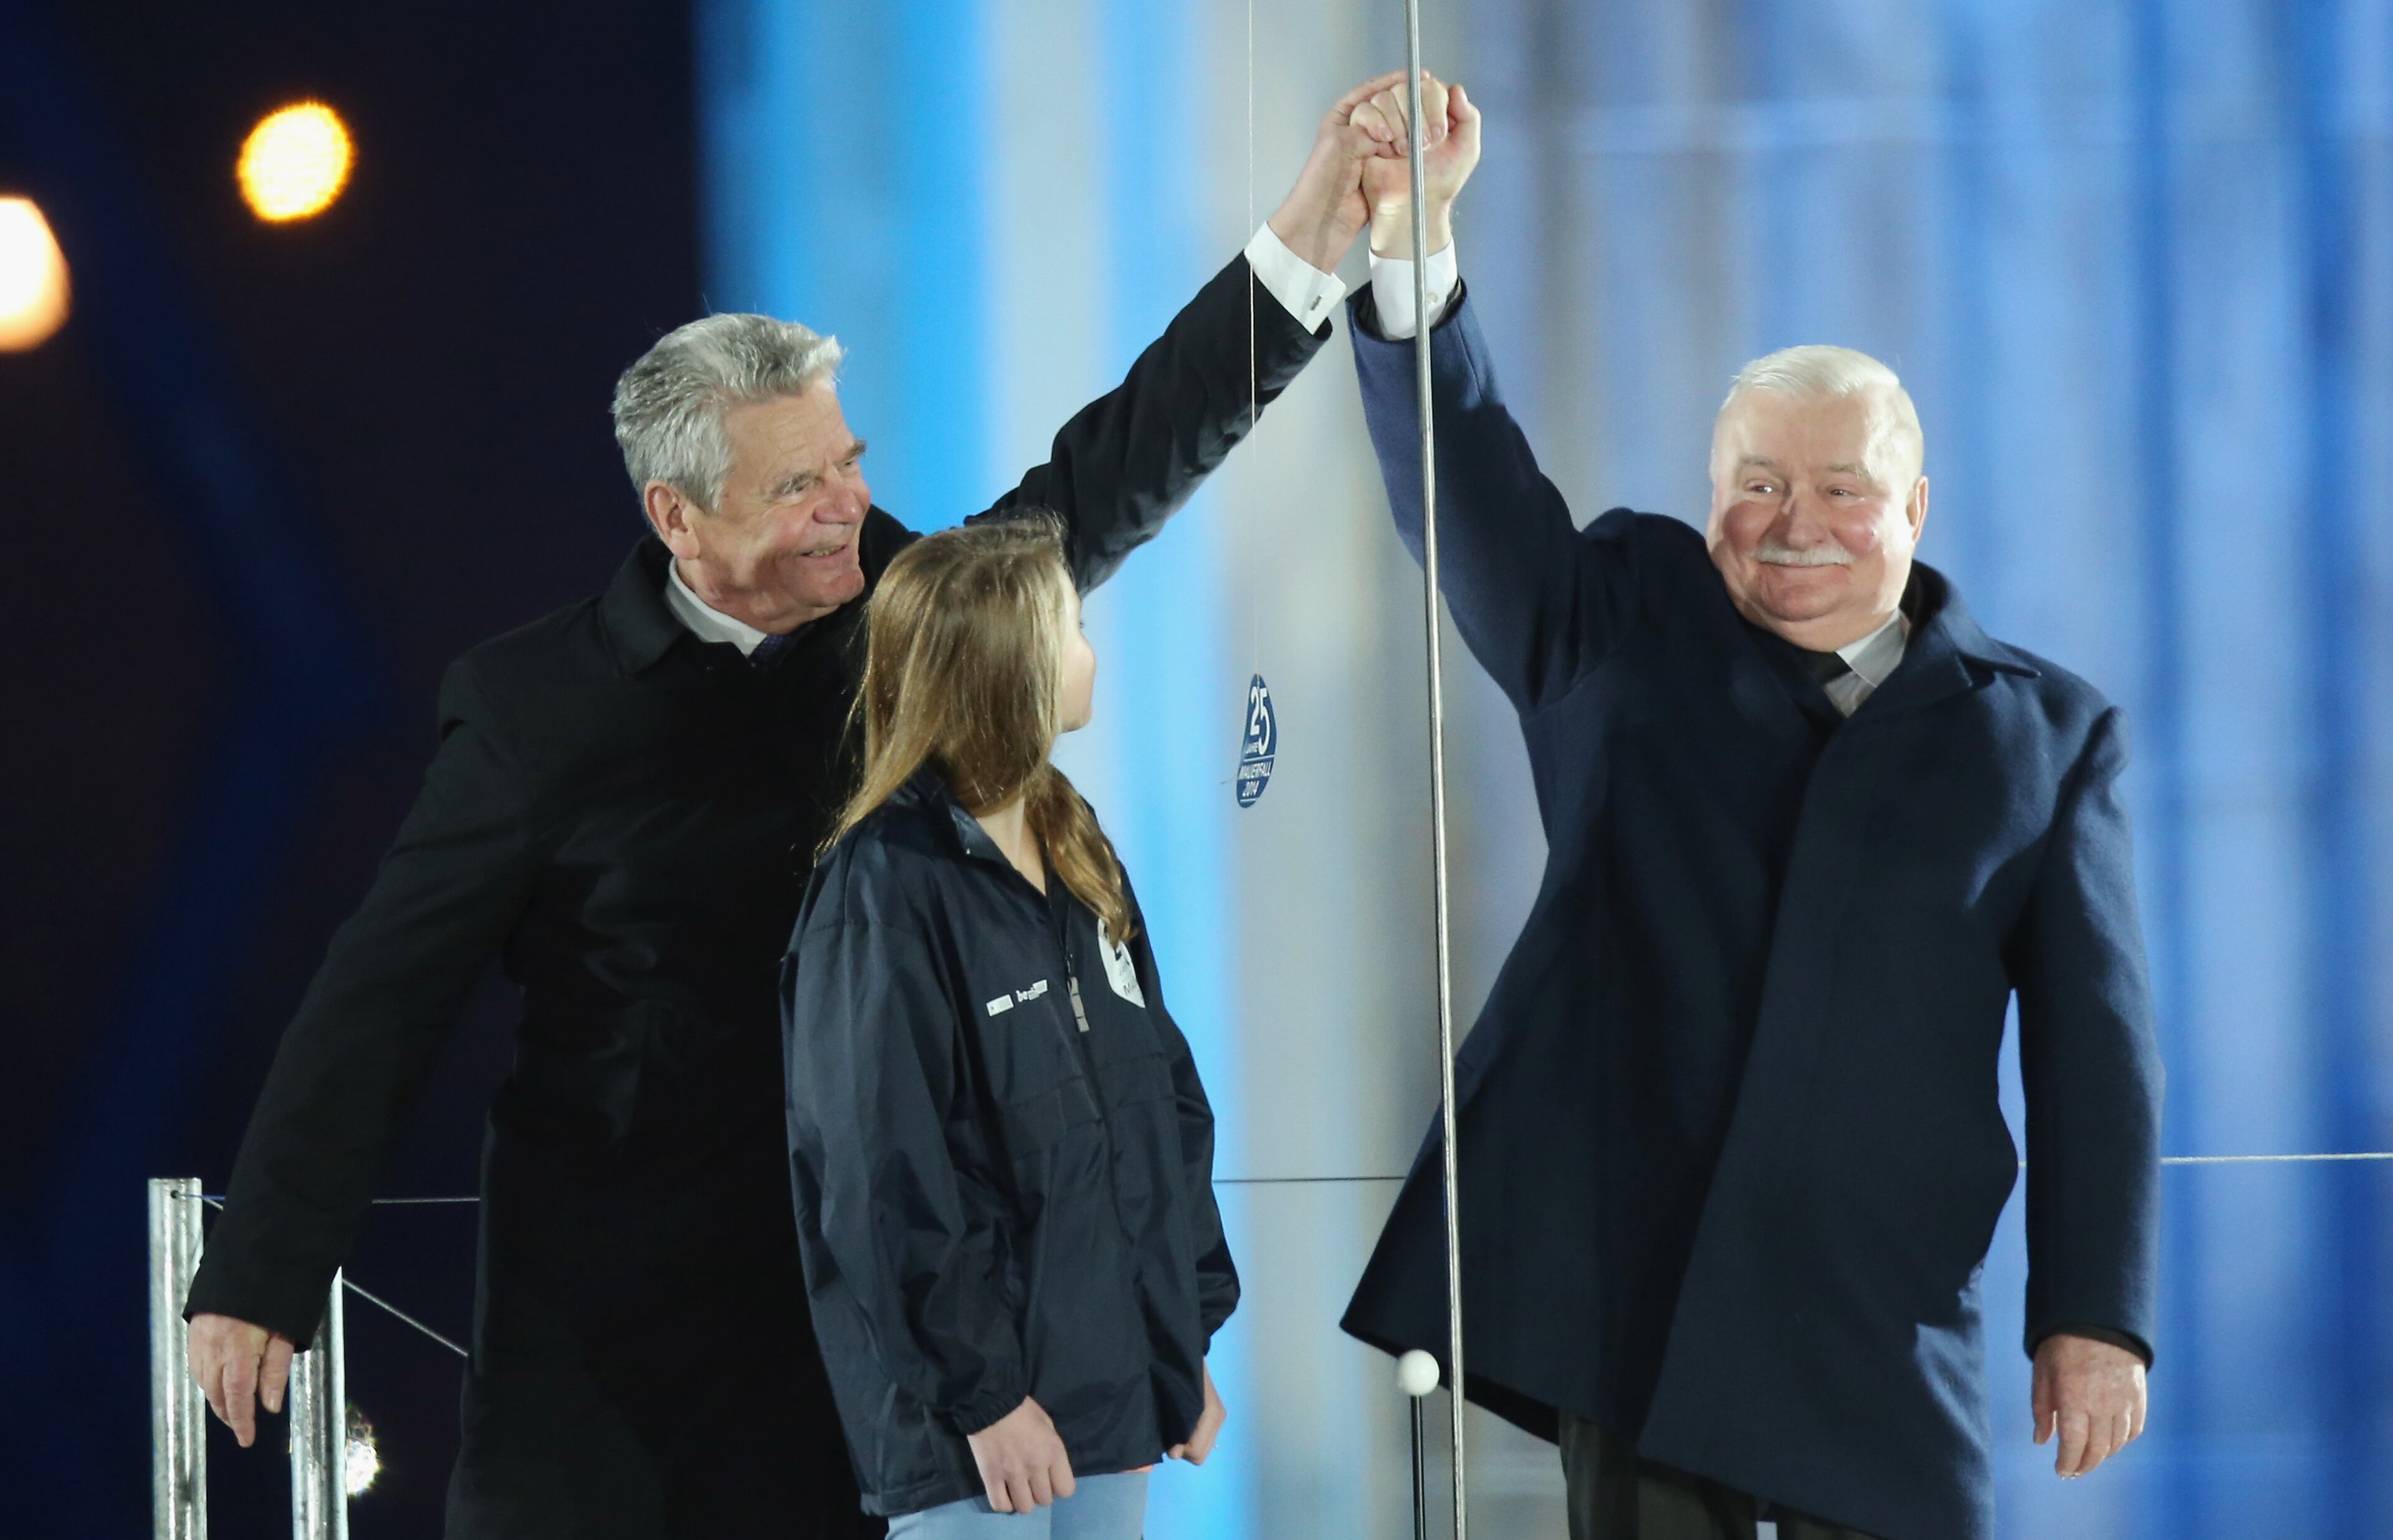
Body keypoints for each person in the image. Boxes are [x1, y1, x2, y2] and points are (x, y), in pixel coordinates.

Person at [180, 74, 1417, 1539]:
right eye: (798, 488)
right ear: (678, 520)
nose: (847, 506)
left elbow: (1112, 473)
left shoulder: (906, 608)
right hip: (602, 1327)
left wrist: (1306, 238)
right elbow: (380, 997)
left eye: (850, 464)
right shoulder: (531, 710)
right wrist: (261, 1270)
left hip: (857, 1304)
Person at [1334, 78, 2164, 1540]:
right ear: (1709, 487)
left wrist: (2095, 1314)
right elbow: (1465, 488)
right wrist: (1416, 245)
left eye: (1843, 490)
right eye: (1758, 482)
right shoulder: (1621, 614)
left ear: (1919, 509)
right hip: (1636, 1288)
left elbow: (2098, 1058)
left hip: (1882, 1307)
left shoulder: (2048, 731)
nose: (1794, 525)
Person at [781, 519, 1228, 1539]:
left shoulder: (1079, 850)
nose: (1090, 653)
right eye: (1070, 629)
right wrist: (983, 1399)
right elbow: (878, 1174)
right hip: (976, 1442)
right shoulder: (884, 887)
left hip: (1113, 1404)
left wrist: (1180, 1338)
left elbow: (1161, 1105)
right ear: (1004, 669)